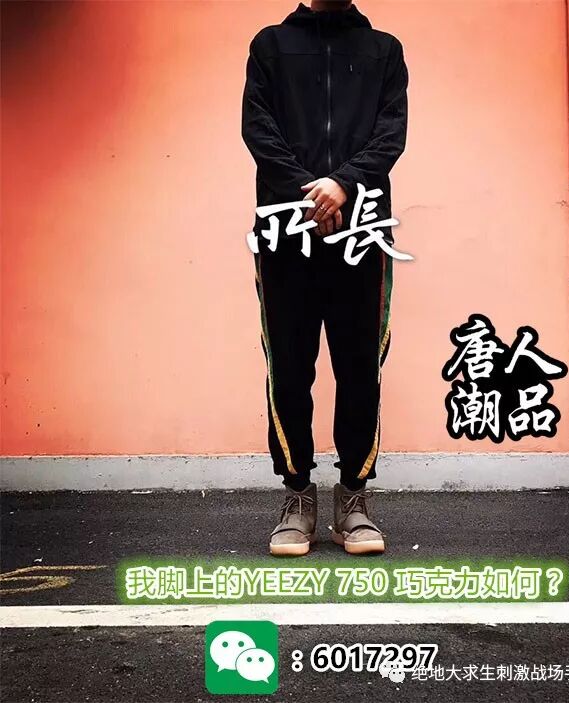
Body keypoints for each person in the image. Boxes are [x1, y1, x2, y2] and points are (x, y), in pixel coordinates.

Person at [241, 1, 408, 556]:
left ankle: (354, 498)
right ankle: (297, 495)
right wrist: (310, 195)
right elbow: (259, 132)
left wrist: (344, 185)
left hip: (361, 234)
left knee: (359, 369)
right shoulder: (270, 46)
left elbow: (390, 135)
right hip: (286, 235)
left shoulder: (384, 51)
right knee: (289, 369)